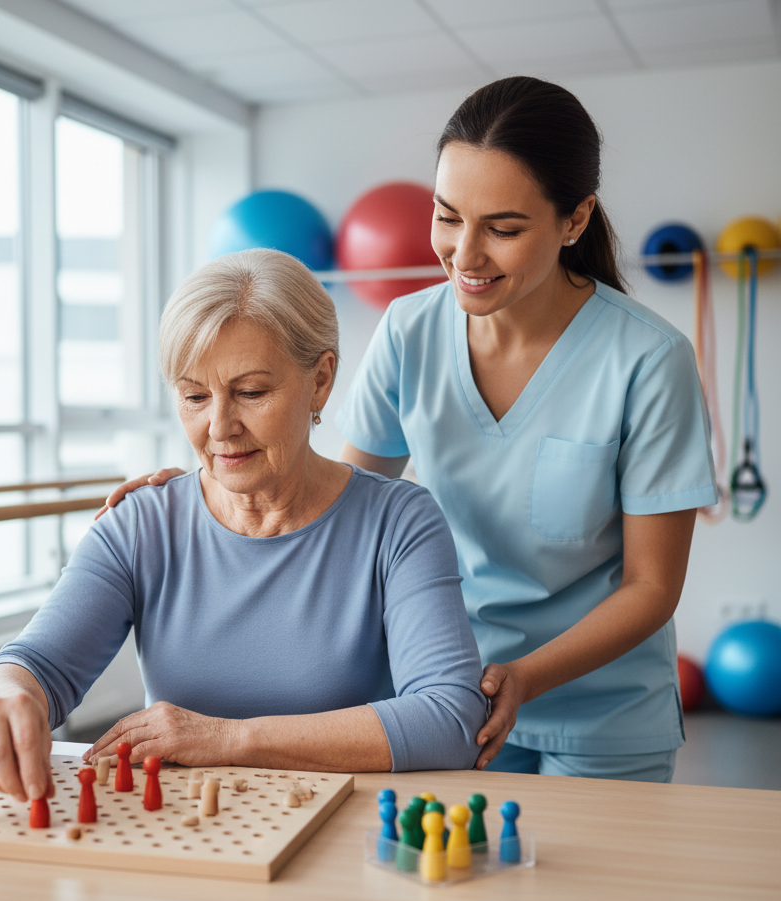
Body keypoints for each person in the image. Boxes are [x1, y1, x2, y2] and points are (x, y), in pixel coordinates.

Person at [104, 78, 716, 784]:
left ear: (575, 219)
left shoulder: (649, 360)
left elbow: (650, 587)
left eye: (503, 229)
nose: (464, 254)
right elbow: (339, 506)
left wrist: (525, 675)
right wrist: (205, 490)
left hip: (602, 714)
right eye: (447, 217)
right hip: (446, 698)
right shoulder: (410, 330)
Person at [0, 248, 486, 801]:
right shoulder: (141, 524)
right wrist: (5, 699)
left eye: (251, 393)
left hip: (345, 830)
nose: (219, 427)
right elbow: (33, 664)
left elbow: (449, 719)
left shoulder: (399, 521)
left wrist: (227, 738)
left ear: (321, 380)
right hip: (185, 830)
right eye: (194, 396)